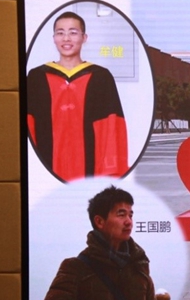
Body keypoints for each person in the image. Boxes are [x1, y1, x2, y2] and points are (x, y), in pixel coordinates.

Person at [34, 186, 160, 300]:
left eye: (130, 215)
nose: (129, 222)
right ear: (99, 221)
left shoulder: (138, 266)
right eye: (121, 215)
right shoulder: (76, 267)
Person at [26, 11, 128, 181]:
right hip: (45, 171)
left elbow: (112, 127)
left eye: (73, 33)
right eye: (60, 33)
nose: (66, 38)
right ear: (54, 38)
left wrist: (109, 173)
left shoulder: (100, 77)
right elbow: (28, 125)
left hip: (90, 173)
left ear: (84, 38)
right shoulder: (36, 77)